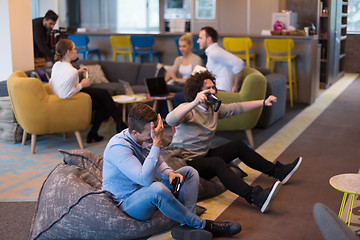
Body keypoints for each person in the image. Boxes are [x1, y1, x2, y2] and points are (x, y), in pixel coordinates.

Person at [166, 70, 302, 213]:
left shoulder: (213, 109)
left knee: (237, 146)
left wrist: (263, 102)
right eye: (208, 88)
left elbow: (237, 108)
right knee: (217, 162)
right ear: (198, 92)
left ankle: (278, 172)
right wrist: (194, 102)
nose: (213, 91)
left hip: (203, 155)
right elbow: (170, 120)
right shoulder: (188, 109)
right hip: (186, 161)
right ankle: (256, 197)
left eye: (213, 87)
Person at [102, 103, 241, 239]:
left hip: (142, 192)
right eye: (150, 134)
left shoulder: (144, 139)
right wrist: (156, 143)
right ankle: (203, 225)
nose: (154, 136)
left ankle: (185, 227)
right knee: (158, 188)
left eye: (155, 130)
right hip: (127, 204)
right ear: (134, 132)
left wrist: (170, 173)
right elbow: (144, 179)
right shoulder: (118, 148)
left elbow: (159, 164)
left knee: (188, 172)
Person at [49, 39, 127, 143]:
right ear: (68, 52)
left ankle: (99, 131)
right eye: (74, 49)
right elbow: (66, 93)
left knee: (103, 96)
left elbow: (64, 82)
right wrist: (82, 84)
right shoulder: (71, 72)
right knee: (103, 99)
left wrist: (78, 72)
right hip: (71, 102)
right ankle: (118, 125)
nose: (76, 51)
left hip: (59, 99)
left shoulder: (57, 65)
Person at [197, 26, 245, 92]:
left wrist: (235, 87)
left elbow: (239, 63)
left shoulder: (215, 52)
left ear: (209, 39)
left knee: (179, 97)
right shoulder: (213, 52)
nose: (198, 41)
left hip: (221, 90)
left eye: (200, 38)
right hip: (216, 89)